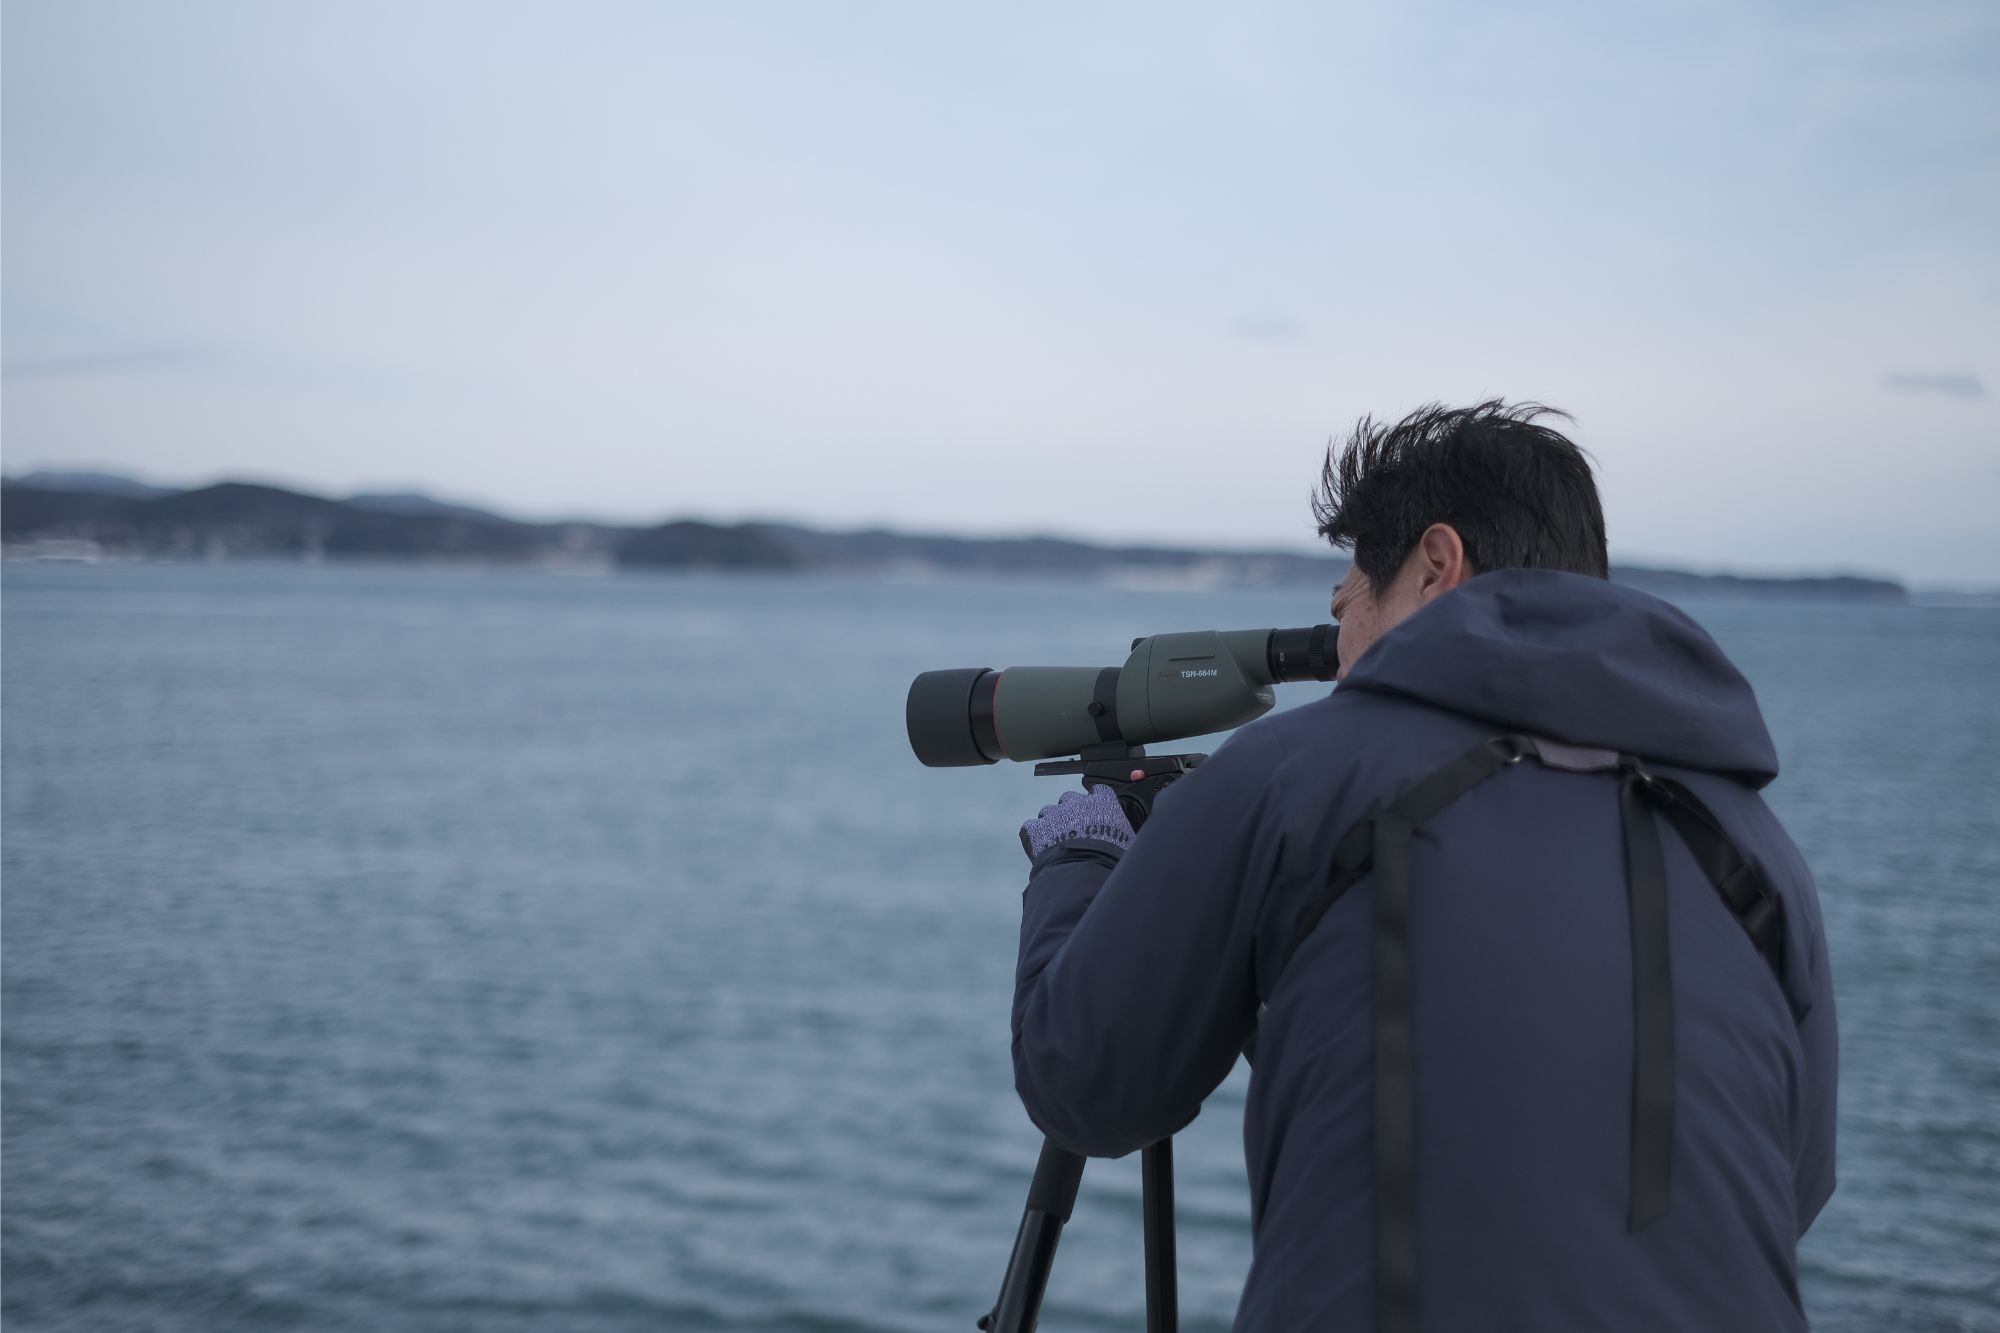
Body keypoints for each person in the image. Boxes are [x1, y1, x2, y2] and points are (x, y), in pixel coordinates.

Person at [1013, 401, 1837, 1332]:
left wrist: (1083, 848)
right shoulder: (1759, 847)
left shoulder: (1298, 774)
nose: (1341, 654)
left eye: (1348, 607)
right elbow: (1791, 1188)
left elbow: (1083, 1081)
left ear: (1435, 567)